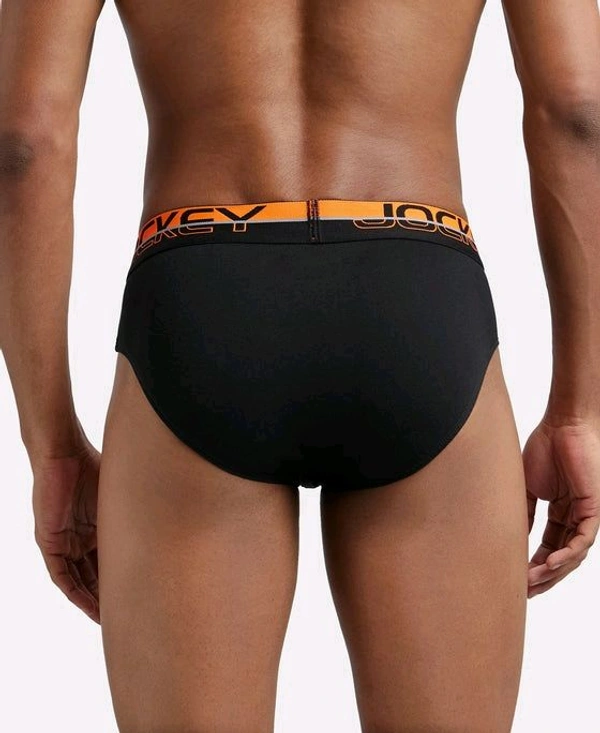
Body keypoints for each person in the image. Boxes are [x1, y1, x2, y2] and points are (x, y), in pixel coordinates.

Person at [1, 0, 599, 730]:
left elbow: (23, 139)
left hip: (201, 296)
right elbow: (579, 112)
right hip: (414, 292)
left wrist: (52, 447)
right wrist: (579, 410)